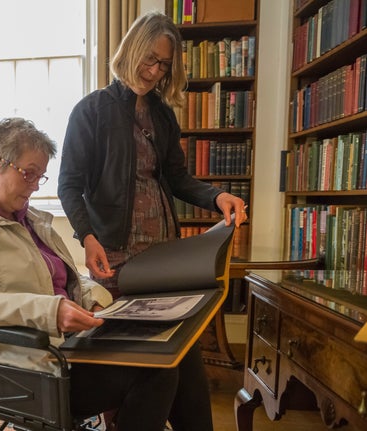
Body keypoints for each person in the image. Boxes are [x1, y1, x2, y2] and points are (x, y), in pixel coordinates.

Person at [0, 117, 186, 431]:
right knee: (156, 371)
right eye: (28, 173)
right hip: (21, 363)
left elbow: (66, 280)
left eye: (40, 176)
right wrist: (49, 311)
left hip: (66, 347)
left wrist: (95, 301)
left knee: (171, 351)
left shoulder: (31, 220)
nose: (35, 185)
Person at [58, 11, 248, 430]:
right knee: (128, 361)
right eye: (149, 58)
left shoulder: (161, 115)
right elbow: (69, 186)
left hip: (162, 258)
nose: (154, 70)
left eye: (163, 64)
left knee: (177, 355)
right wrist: (87, 236)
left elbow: (177, 178)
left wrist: (218, 196)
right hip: (115, 256)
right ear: (130, 50)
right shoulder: (91, 111)